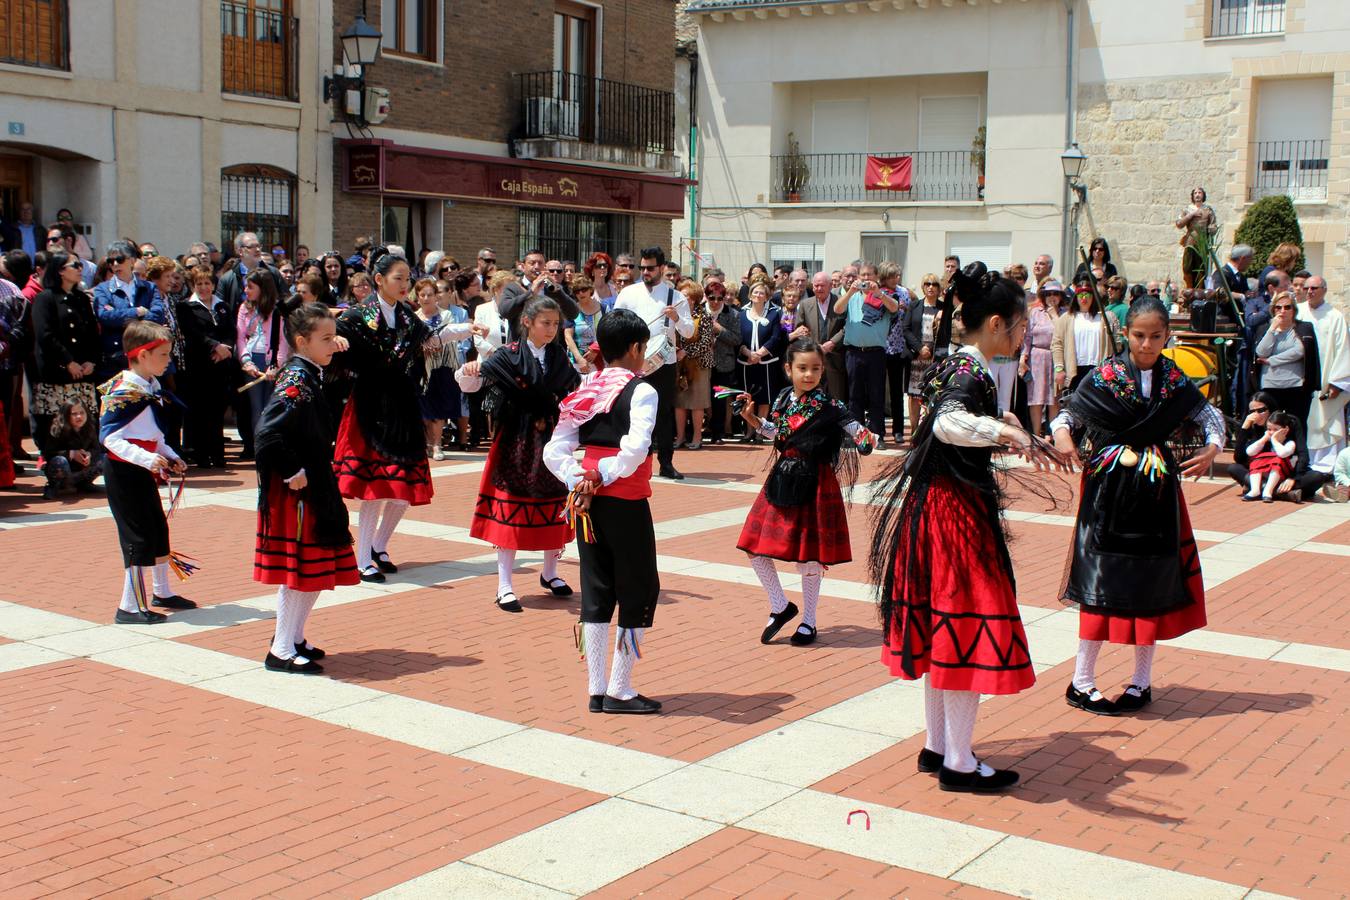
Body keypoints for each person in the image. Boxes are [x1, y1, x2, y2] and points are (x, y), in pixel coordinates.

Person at [871, 269, 1068, 794]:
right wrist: (1002, 429)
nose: (1025, 334)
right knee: (964, 628)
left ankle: (938, 746)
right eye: (1023, 325)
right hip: (952, 516)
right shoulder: (969, 369)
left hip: (936, 508)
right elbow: (947, 423)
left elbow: (954, 411)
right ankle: (958, 760)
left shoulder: (959, 363)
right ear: (998, 323)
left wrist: (1008, 423)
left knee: (943, 629)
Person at [1052, 296, 1224, 716]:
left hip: (1156, 489)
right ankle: (1082, 680)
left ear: (1168, 336)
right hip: (1108, 491)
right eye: (1139, 335)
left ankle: (1141, 683)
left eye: (1156, 337)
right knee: (1099, 581)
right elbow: (1066, 417)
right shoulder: (1105, 375)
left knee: (1152, 582)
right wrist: (1062, 437)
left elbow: (1210, 418)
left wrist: (1213, 448)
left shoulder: (1174, 378)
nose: (1147, 345)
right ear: (1125, 334)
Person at [542, 309, 663, 714]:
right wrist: (599, 474)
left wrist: (578, 476)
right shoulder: (641, 390)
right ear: (635, 349)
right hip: (624, 500)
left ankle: (597, 687)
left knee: (595, 589)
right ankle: (619, 688)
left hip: (586, 503)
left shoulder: (588, 387)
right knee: (637, 589)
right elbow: (634, 451)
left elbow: (553, 449)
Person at [334, 250, 466, 582]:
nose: (405, 284)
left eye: (407, 278)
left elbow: (429, 340)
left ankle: (378, 546)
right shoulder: (357, 316)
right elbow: (333, 339)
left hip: (403, 406)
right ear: (378, 280)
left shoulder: (408, 317)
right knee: (374, 489)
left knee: (401, 489)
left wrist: (464, 330)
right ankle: (362, 558)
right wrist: (333, 341)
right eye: (399, 278)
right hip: (370, 407)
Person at [737, 339, 874, 647]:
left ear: (822, 370)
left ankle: (809, 622)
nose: (809, 374)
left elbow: (858, 433)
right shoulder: (784, 399)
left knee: (810, 558)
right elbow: (779, 433)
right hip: (784, 478)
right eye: (802, 368)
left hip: (816, 483)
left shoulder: (831, 406)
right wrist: (752, 419)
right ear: (788, 370)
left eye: (815, 368)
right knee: (753, 546)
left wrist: (866, 438)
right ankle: (780, 605)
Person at [253, 301, 358, 674]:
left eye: (334, 337)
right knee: (299, 571)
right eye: (326, 338)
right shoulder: (296, 378)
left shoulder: (311, 371)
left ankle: (294, 636)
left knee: (312, 568)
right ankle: (281, 647)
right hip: (297, 488)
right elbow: (267, 433)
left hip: (314, 481)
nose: (333, 344)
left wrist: (337, 349)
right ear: (301, 340)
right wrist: (290, 468)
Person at [457, 296, 581, 612]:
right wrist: (468, 370)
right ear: (526, 322)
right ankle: (504, 585)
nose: (552, 329)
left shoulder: (559, 358)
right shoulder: (507, 356)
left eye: (556, 324)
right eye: (546, 323)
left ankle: (550, 574)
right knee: (510, 511)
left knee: (555, 507)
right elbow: (471, 383)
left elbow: (573, 391)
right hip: (516, 441)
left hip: (551, 441)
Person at [99, 320, 198, 624]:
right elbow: (110, 438)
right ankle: (129, 606)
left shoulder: (151, 387)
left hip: (141, 469)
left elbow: (155, 436)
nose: (169, 360)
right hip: (123, 472)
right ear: (142, 355)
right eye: (164, 355)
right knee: (137, 538)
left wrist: (169, 455)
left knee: (157, 531)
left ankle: (161, 591)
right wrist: (147, 458)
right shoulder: (123, 391)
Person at [614, 246, 694, 480]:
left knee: (663, 415)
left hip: (664, 363)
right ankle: (638, 462)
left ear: (661, 268)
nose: (645, 272)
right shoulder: (629, 294)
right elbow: (616, 321)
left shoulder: (675, 297)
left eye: (650, 268)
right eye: (642, 268)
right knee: (633, 412)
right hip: (633, 362)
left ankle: (666, 463)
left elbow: (688, 332)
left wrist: (677, 318)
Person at [31, 252, 101, 452]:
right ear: (61, 271)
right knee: (56, 425)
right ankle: (58, 471)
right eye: (75, 265)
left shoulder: (81, 298)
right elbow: (45, 335)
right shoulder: (45, 298)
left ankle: (83, 473)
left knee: (83, 424)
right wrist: (68, 362)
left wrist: (91, 361)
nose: (80, 269)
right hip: (56, 373)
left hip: (82, 373)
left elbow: (92, 334)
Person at [413, 277, 478, 460]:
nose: (426, 298)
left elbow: (451, 334)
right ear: (417, 297)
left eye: (430, 294)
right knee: (424, 409)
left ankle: (437, 445)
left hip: (443, 366)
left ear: (436, 296)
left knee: (439, 408)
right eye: (422, 295)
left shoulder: (446, 316)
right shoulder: (414, 318)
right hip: (422, 368)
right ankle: (427, 443)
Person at [176, 267, 233, 467]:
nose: (203, 287)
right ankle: (201, 455)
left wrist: (225, 348)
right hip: (198, 366)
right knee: (200, 411)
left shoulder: (223, 307)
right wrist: (214, 346)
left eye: (207, 283)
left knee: (217, 411)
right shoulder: (186, 307)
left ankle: (218, 454)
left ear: (214, 285)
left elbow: (230, 331)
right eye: (199, 284)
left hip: (220, 366)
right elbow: (192, 333)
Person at [836, 264, 899, 443]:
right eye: (862, 275)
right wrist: (849, 292)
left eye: (869, 275)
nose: (865, 278)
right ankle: (857, 434)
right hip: (854, 352)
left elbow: (894, 308)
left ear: (876, 276)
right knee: (855, 395)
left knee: (876, 395)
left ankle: (877, 434)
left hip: (876, 354)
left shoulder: (884, 296)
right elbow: (838, 310)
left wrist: (878, 293)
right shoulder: (852, 296)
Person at [1297, 276, 1350, 473]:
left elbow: (1343, 350)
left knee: (1326, 420)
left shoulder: (1335, 316)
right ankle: (1302, 462)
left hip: (1325, 380)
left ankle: (1325, 467)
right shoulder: (1298, 311)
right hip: (1301, 378)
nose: (1309, 291)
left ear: (1324, 290)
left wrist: (1337, 384)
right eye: (1307, 288)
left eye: (1314, 288)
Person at [1226, 391, 1319, 503]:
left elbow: (1303, 453)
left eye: (1261, 410)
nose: (1256, 415)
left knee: (1317, 476)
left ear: (1270, 409)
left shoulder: (1290, 422)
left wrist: (1293, 478)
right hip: (1262, 472)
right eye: (1252, 412)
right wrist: (1244, 428)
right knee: (1234, 468)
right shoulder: (1254, 426)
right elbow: (1239, 458)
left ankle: (1264, 490)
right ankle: (1282, 494)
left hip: (1287, 471)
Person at [93, 241, 164, 378]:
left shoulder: (149, 287)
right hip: (116, 357)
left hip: (146, 354)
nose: (115, 264)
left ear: (132, 261)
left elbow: (158, 315)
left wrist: (126, 320)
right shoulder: (103, 289)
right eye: (110, 261)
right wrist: (137, 312)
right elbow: (105, 316)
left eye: (119, 259)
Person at [235, 269, 291, 440]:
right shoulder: (244, 308)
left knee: (271, 407)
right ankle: (259, 447)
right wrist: (246, 361)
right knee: (256, 407)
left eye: (250, 287)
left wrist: (276, 365)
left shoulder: (278, 310)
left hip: (272, 363)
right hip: (253, 361)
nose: (246, 290)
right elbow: (240, 337)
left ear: (262, 288)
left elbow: (283, 340)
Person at [1252, 291, 1320, 428]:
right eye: (1278, 307)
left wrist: (1272, 360)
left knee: (1296, 425)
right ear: (1273, 310)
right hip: (1270, 386)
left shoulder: (1303, 328)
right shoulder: (1264, 329)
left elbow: (1299, 351)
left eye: (1287, 307)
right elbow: (1261, 352)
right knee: (1271, 426)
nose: (1282, 311)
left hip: (1296, 386)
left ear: (1294, 310)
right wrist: (1272, 329)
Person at [1052, 277, 1122, 397]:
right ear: (1076, 297)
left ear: (1093, 296)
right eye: (1080, 295)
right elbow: (1057, 344)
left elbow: (1118, 343)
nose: (1084, 298)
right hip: (1075, 370)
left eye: (1087, 294)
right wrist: (1059, 368)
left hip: (1099, 370)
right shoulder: (1066, 318)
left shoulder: (1107, 318)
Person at [737, 279, 785, 438]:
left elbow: (776, 336)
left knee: (765, 397)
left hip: (766, 363)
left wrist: (760, 354)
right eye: (755, 292)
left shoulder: (774, 313)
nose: (758, 295)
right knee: (747, 397)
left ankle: (761, 430)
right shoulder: (741, 313)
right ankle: (749, 430)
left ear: (767, 296)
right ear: (750, 295)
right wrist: (748, 353)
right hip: (746, 362)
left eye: (762, 293)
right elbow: (738, 337)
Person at [674, 279, 715, 450]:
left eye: (687, 296)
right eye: (681, 296)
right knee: (679, 403)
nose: (683, 300)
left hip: (699, 365)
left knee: (696, 403)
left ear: (694, 299)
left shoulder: (704, 316)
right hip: (678, 365)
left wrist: (686, 352)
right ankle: (680, 437)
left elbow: (706, 342)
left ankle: (697, 437)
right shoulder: (675, 316)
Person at [903, 273, 943, 439]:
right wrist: (920, 348)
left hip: (935, 358)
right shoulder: (915, 306)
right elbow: (906, 329)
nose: (931, 287)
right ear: (923, 287)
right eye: (927, 283)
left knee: (933, 393)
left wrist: (932, 350)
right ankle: (914, 431)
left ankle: (928, 431)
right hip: (917, 357)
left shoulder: (943, 308)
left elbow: (945, 332)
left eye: (934, 284)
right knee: (914, 395)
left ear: (939, 288)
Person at [1021, 280, 1064, 435]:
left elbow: (1063, 333)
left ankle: (1051, 434)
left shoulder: (1064, 314)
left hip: (1056, 357)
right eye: (1048, 294)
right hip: (1037, 356)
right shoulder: (1035, 313)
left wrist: (1054, 315)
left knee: (1053, 398)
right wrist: (1023, 358)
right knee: (1036, 397)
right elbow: (1027, 337)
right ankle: (1036, 433)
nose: (1052, 297)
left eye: (1055, 294)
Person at [704, 274, 742, 444]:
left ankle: (717, 433)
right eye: (712, 297)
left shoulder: (732, 314)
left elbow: (736, 339)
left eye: (720, 298)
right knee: (701, 398)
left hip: (724, 363)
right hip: (702, 362)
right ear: (706, 296)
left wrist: (719, 329)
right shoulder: (699, 311)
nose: (716, 301)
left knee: (719, 400)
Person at [798, 270, 846, 401]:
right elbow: (800, 329)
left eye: (822, 285)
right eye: (816, 285)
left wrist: (833, 342)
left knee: (836, 398)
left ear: (831, 286)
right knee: (813, 398)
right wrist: (814, 346)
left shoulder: (841, 302)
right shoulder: (805, 304)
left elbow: (847, 326)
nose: (819, 288)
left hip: (835, 359)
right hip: (813, 360)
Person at [43, 398, 103, 498]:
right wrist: (71, 454)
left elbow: (97, 448)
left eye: (82, 413)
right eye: (74, 414)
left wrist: (89, 455)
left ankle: (84, 484)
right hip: (64, 472)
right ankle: (55, 486)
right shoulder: (58, 429)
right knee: (59, 460)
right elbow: (48, 453)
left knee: (104, 458)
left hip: (82, 470)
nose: (79, 416)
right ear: (66, 415)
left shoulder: (90, 427)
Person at [1242, 411, 1299, 503]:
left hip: (1283, 474)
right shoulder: (1266, 441)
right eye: (1269, 429)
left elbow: (1282, 454)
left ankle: (1268, 491)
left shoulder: (1290, 443)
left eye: (1276, 430)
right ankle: (1255, 489)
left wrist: (1274, 440)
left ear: (1285, 429)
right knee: (1257, 458)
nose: (1272, 432)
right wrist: (1264, 439)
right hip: (1266, 473)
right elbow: (1250, 452)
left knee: (1278, 459)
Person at [1175, 187, 1217, 290]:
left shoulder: (1208, 210)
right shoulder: (1187, 210)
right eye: (1195, 193)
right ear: (1193, 196)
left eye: (1200, 193)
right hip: (1190, 242)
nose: (1197, 195)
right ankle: (1189, 288)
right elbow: (1179, 224)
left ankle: (1200, 289)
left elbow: (1213, 225)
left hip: (1203, 244)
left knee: (1201, 268)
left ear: (1203, 195)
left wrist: (1212, 229)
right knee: (1187, 266)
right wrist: (1192, 215)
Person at [564, 275, 604, 374]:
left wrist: (595, 349)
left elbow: (609, 332)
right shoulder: (571, 310)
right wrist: (579, 359)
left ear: (590, 289)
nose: (581, 293)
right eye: (577, 291)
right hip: (577, 363)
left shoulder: (604, 308)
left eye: (584, 289)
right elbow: (568, 336)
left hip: (600, 361)